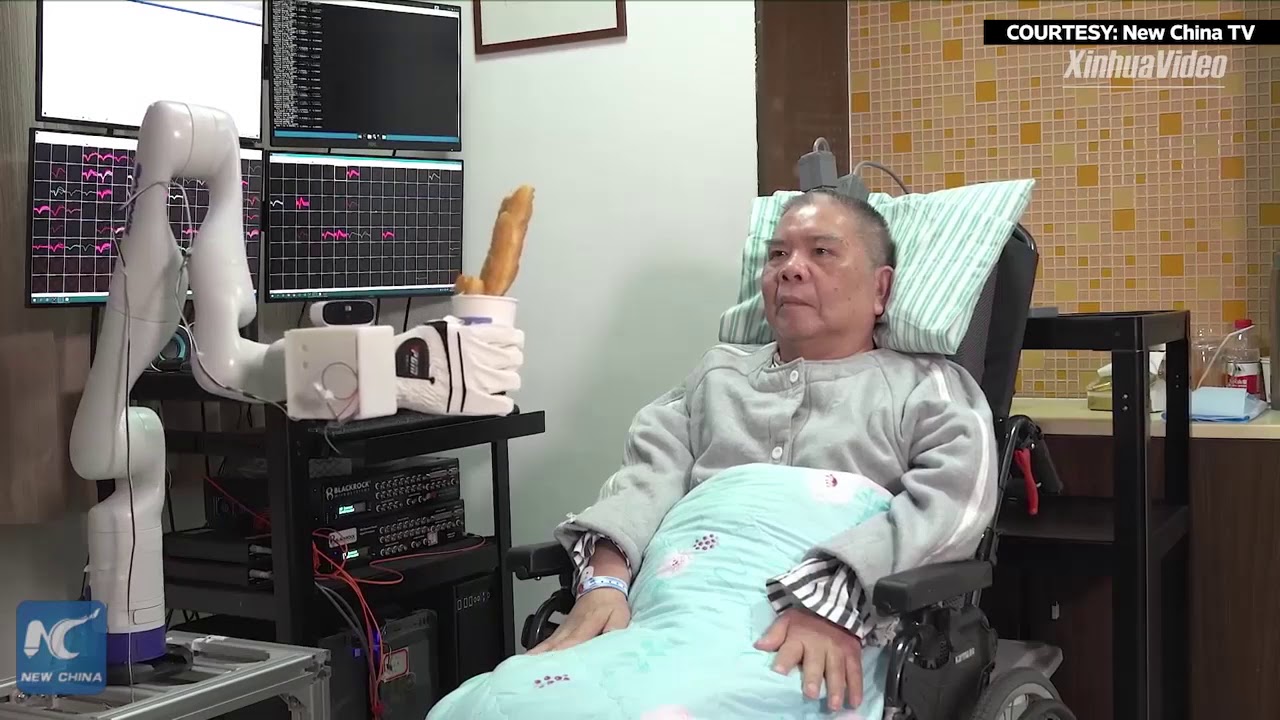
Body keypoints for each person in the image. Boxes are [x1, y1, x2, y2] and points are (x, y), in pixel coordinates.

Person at [536, 189, 998, 713]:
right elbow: (646, 479)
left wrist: (833, 602)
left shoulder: (926, 386)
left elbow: (954, 503)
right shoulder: (716, 376)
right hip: (666, 618)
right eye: (777, 254)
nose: (790, 269)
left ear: (881, 288)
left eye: (822, 251)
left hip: (825, 637)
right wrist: (602, 583)